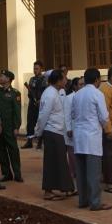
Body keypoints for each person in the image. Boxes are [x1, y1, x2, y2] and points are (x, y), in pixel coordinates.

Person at [70, 68, 112, 211]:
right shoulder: (97, 94)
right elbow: (104, 117)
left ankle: (83, 200)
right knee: (94, 173)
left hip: (79, 137)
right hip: (92, 137)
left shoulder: (77, 94)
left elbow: (73, 114)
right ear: (97, 80)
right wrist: (107, 129)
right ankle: (95, 202)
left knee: (81, 172)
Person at [35, 69, 74, 200]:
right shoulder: (50, 94)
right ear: (58, 81)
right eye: (64, 78)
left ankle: (66, 188)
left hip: (57, 131)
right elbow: (43, 116)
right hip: (51, 131)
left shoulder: (56, 92)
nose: (66, 80)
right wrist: (38, 132)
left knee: (60, 161)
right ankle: (48, 191)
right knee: (51, 162)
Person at [0, 70, 24, 183]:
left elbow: (17, 111)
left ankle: (17, 174)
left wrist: (16, 127)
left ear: (8, 79)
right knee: (1, 151)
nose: (0, 77)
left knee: (13, 151)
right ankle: (6, 173)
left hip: (10, 127)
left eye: (2, 76)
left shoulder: (15, 93)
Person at [23, 61, 47, 149]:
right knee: (30, 123)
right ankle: (29, 141)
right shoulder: (32, 79)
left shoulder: (44, 80)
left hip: (41, 104)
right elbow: (29, 93)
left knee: (41, 123)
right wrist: (32, 98)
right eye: (34, 68)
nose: (35, 70)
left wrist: (40, 100)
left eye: (37, 69)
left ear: (41, 69)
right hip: (32, 104)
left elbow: (45, 92)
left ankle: (40, 142)